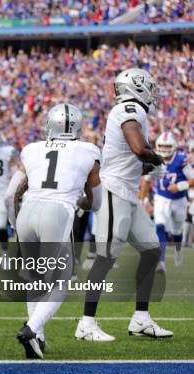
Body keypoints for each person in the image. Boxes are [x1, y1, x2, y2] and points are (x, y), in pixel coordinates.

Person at [75, 68, 173, 341]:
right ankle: (86, 323)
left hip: (127, 193)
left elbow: (133, 160)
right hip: (114, 191)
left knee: (152, 250)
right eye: (149, 87)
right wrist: (157, 160)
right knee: (105, 258)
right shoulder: (130, 108)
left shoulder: (132, 111)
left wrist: (146, 165)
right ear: (136, 87)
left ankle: (141, 319)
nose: (153, 93)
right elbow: (139, 149)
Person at [5, 103, 102, 358]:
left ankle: (39, 338)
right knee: (60, 281)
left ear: (50, 125)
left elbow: (9, 195)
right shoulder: (89, 151)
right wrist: (79, 202)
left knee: (35, 279)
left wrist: (16, 225)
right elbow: (96, 203)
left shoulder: (32, 149)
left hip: (27, 211)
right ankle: (31, 329)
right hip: (56, 213)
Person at [142, 132, 193, 272]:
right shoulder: (153, 159)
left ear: (173, 146)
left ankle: (178, 251)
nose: (164, 149)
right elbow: (146, 181)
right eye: (162, 146)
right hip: (161, 198)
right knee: (160, 227)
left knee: (177, 232)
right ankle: (161, 261)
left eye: (167, 146)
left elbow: (193, 180)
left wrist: (179, 186)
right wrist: (144, 200)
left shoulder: (182, 160)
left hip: (179, 200)